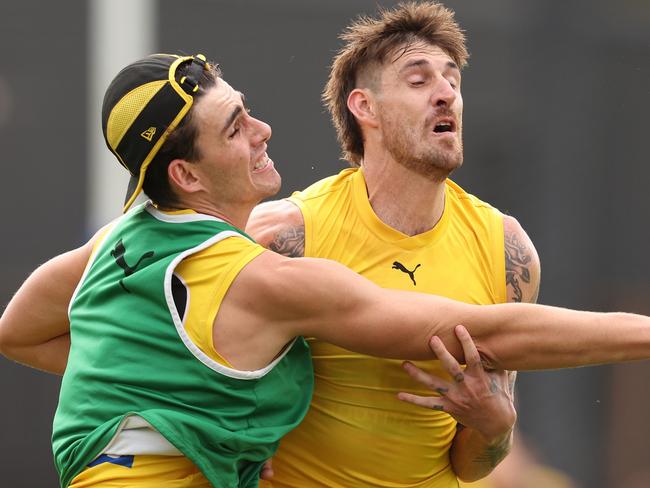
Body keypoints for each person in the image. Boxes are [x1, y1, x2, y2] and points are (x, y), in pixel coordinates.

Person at [2, 51, 650, 488]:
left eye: (245, 108)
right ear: (186, 174)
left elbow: (18, 331)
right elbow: (488, 334)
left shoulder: (113, 247)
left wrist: (170, 393)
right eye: (234, 128)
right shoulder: (269, 277)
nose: (261, 129)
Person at [242, 2, 603, 487]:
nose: (445, 95)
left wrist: (496, 426)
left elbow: (472, 464)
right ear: (364, 107)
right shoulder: (284, 234)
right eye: (419, 81)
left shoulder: (507, 249)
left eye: (452, 80)